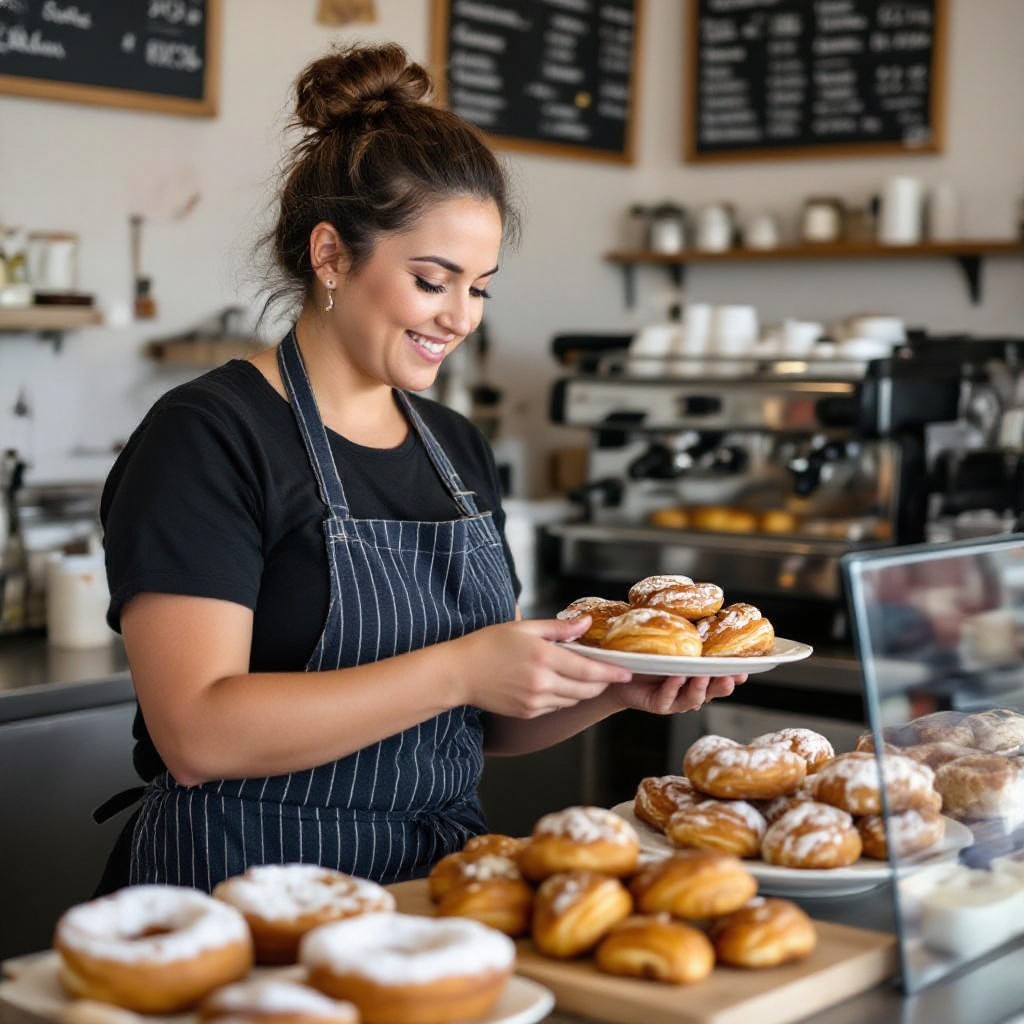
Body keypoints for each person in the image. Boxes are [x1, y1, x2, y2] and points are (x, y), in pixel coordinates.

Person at [95, 43, 745, 893]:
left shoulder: (456, 449)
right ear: (331, 256)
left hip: (432, 889)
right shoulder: (210, 435)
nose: (460, 317)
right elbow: (197, 732)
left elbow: (474, 724)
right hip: (243, 890)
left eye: (479, 287)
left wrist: (618, 688)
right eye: (433, 280)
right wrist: (463, 665)